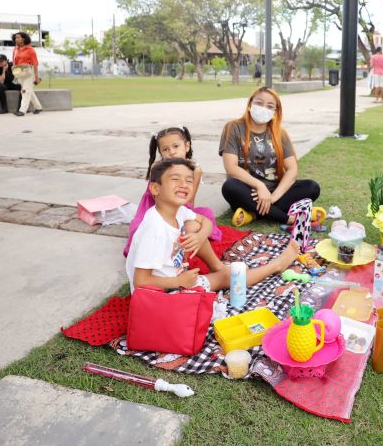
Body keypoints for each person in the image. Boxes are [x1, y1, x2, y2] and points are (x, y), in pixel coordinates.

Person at [126, 158, 300, 293]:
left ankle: (218, 268)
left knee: (195, 226)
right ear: (155, 189)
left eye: (188, 180)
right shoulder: (154, 229)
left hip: (174, 277)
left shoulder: (177, 211)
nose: (184, 185)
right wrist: (178, 282)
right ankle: (276, 266)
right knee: (232, 279)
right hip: (164, 294)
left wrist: (200, 236)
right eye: (175, 179)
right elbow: (140, 281)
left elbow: (205, 222)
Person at [220, 87, 320, 225]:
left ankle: (254, 215)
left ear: (275, 111)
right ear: (250, 104)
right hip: (248, 192)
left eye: (270, 106)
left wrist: (272, 197)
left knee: (312, 187)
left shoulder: (280, 132)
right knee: (230, 186)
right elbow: (231, 168)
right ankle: (287, 218)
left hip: (275, 192)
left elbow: (292, 169)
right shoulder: (234, 127)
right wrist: (259, 186)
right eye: (259, 103)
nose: (263, 108)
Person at [124, 126, 221, 257]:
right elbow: (158, 201)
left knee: (203, 217)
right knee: (142, 231)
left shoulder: (195, 170)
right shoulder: (157, 168)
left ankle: (185, 247)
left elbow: (189, 201)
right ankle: (173, 248)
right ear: (160, 152)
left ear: (186, 146)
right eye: (165, 149)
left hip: (181, 208)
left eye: (176, 146)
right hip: (157, 208)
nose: (171, 152)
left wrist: (188, 218)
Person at [11, 31, 42, 116]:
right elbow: (14, 62)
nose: (16, 39)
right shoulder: (15, 49)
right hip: (19, 72)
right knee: (29, 91)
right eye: (15, 37)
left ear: (23, 39)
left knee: (25, 91)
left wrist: (36, 77)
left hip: (29, 71)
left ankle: (22, 111)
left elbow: (35, 64)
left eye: (18, 37)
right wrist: (15, 73)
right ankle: (38, 107)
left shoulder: (30, 50)